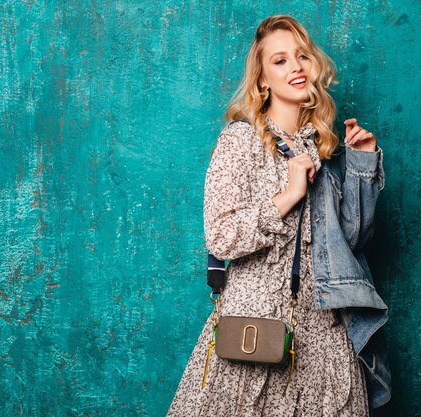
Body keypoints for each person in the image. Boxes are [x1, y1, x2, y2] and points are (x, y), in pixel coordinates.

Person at [166, 15, 390, 417]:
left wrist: (361, 163)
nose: (296, 67)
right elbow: (221, 236)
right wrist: (287, 195)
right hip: (257, 325)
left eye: (301, 56)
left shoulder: (322, 149)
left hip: (324, 329)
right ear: (263, 78)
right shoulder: (241, 139)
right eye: (281, 60)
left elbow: (353, 240)